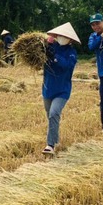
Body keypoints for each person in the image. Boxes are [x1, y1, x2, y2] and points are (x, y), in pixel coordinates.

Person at [42, 22, 79, 154]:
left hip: (62, 90)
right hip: (47, 88)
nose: (61, 38)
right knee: (51, 116)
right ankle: (55, 140)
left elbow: (65, 66)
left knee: (54, 113)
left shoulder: (72, 53)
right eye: (60, 35)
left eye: (64, 36)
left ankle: (50, 145)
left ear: (70, 39)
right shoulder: (49, 47)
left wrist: (55, 57)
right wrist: (45, 47)